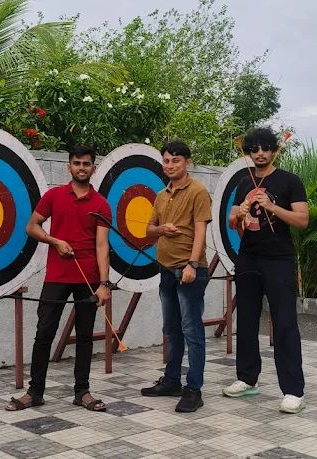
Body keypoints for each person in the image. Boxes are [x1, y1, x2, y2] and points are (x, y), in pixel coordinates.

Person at [5, 145, 112, 412]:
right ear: (69, 166)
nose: (81, 168)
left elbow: (102, 245)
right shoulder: (53, 196)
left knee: (85, 337)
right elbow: (31, 226)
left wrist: (104, 284)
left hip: (88, 277)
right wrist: (55, 242)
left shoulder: (101, 204)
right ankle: (35, 392)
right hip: (57, 276)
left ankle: (82, 392)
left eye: (86, 164)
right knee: (44, 334)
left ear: (94, 168)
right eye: (77, 163)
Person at [222, 127, 309, 414]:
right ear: (248, 152)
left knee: (284, 322)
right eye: (254, 149)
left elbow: (302, 220)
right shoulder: (243, 182)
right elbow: (232, 219)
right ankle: (247, 378)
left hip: (279, 259)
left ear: (273, 150)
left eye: (265, 148)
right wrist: (239, 212)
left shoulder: (289, 180)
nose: (260, 153)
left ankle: (293, 390)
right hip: (248, 258)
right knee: (246, 319)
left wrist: (271, 206)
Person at [141, 140, 212, 413]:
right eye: (166, 161)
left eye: (176, 160)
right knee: (171, 329)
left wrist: (193, 264)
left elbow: (201, 231)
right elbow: (149, 230)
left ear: (187, 162)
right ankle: (172, 381)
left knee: (192, 331)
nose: (170, 166)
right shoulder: (161, 195)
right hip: (166, 269)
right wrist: (162, 230)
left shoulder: (198, 191)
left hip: (189, 270)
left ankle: (194, 389)